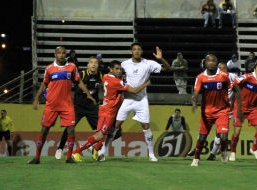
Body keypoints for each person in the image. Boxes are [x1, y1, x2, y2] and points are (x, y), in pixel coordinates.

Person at [100, 43, 171, 162]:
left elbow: (168, 69)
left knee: (146, 126)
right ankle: (103, 151)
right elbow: (115, 79)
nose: (137, 51)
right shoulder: (124, 64)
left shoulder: (148, 63)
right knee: (116, 125)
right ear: (131, 52)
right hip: (127, 99)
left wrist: (160, 59)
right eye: (134, 49)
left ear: (142, 51)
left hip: (141, 100)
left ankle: (151, 154)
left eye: (139, 49)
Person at [72, 60, 151, 162]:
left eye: (120, 69)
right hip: (108, 112)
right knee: (100, 135)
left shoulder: (105, 76)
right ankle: (77, 152)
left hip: (109, 109)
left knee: (116, 131)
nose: (119, 71)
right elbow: (135, 90)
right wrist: (146, 83)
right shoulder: (116, 82)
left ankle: (95, 148)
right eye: (116, 69)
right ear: (111, 69)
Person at [28, 46, 95, 164]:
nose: (61, 55)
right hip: (51, 105)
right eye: (59, 53)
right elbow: (44, 84)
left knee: (71, 130)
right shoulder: (49, 68)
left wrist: (88, 94)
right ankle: (37, 158)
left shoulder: (72, 67)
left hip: (67, 104)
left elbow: (78, 81)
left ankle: (69, 157)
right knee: (44, 130)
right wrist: (36, 98)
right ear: (55, 55)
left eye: (64, 53)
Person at [191, 54, 236, 167]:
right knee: (202, 138)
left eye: (214, 61)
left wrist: (234, 103)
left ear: (217, 63)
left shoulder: (224, 76)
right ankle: (196, 158)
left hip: (222, 111)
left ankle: (224, 152)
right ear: (205, 63)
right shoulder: (201, 77)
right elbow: (196, 91)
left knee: (224, 136)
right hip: (207, 112)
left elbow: (234, 88)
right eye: (209, 61)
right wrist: (194, 101)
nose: (211, 63)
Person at [55, 56, 102, 159]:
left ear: (98, 65)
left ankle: (94, 148)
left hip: (92, 108)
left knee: (102, 130)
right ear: (88, 65)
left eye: (96, 62)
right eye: (91, 62)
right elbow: (77, 84)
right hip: (78, 107)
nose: (94, 64)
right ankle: (60, 148)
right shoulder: (82, 74)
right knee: (69, 127)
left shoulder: (100, 75)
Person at [206, 62, 238, 160]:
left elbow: (238, 88)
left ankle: (217, 154)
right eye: (220, 68)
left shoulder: (233, 76)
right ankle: (214, 154)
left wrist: (234, 101)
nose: (221, 70)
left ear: (227, 69)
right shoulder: (217, 77)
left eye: (223, 68)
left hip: (229, 109)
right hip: (218, 108)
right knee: (219, 132)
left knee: (223, 132)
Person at [229, 61, 257, 161]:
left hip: (253, 108)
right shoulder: (246, 77)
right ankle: (233, 152)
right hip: (240, 107)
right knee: (237, 132)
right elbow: (234, 84)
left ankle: (254, 149)